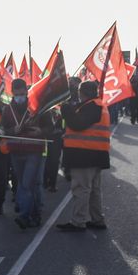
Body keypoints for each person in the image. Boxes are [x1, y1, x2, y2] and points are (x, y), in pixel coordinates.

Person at [56, 81, 110, 232]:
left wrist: (65, 108)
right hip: (94, 154)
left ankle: (78, 221)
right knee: (93, 190)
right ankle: (97, 219)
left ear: (83, 92)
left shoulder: (93, 106)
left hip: (85, 155)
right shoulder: (96, 105)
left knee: (81, 189)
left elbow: (78, 124)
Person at [0, 78, 50, 230]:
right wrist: (11, 131)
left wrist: (42, 131)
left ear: (27, 91)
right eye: (16, 94)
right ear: (12, 93)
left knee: (27, 184)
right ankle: (35, 214)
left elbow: (50, 128)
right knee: (24, 185)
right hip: (15, 151)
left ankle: (24, 216)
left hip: (34, 151)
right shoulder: (8, 109)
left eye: (22, 93)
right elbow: (4, 128)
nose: (20, 96)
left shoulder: (37, 106)